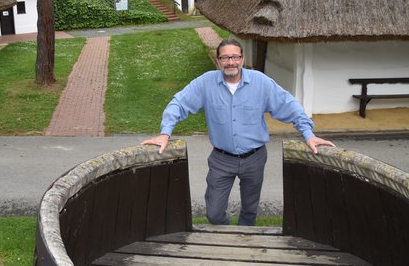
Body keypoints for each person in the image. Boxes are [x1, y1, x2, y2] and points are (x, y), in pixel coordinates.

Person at [142, 38, 335, 226]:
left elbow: (290, 105)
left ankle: (245, 242)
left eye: (235, 57)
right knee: (214, 213)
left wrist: (308, 134)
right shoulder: (205, 83)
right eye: (225, 58)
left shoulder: (261, 83)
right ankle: (229, 235)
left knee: (250, 212)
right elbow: (179, 103)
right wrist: (165, 133)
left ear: (242, 59)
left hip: (255, 158)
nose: (230, 62)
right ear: (218, 61)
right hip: (221, 160)